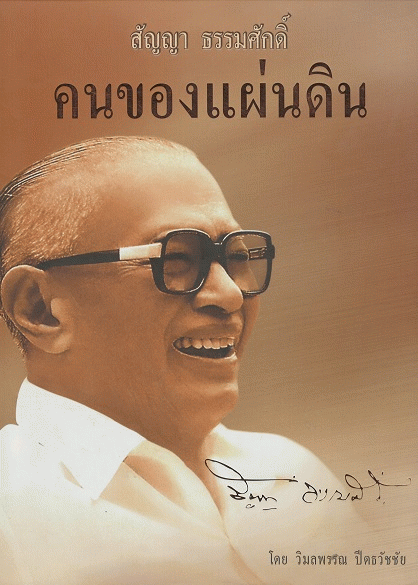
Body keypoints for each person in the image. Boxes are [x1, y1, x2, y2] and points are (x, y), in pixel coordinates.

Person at [0, 136, 367, 585]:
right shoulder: (10, 514)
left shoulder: (293, 475)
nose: (230, 294)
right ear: (40, 309)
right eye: (176, 259)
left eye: (235, 257)